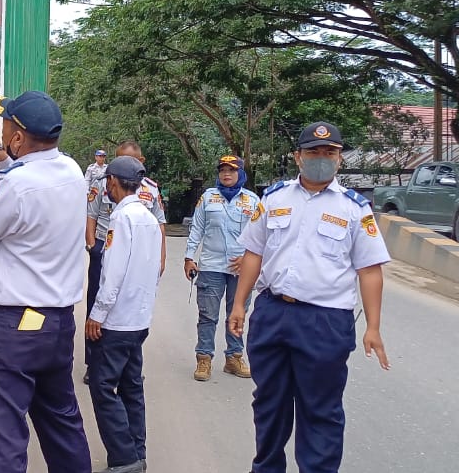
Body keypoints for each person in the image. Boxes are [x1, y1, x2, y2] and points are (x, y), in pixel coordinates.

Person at [228, 121, 392, 473]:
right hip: (272, 313)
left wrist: (373, 327)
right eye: (314, 152)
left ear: (340, 159)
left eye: (329, 153)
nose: (322, 158)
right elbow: (254, 253)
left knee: (320, 410)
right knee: (268, 403)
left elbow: (370, 270)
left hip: (325, 321)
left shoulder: (355, 209)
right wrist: (240, 303)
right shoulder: (274, 198)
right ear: (297, 157)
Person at [0, 91, 92, 473]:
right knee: (62, 423)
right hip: (58, 323)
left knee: (6, 434)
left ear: (17, 137)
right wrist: (6, 158)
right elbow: (32, 184)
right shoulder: (73, 171)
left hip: (17, 329)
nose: (1, 130)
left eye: (6, 126)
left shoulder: (17, 186)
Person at [85, 156, 163, 473]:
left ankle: (124, 458)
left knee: (102, 387)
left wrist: (97, 314)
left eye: (107, 182)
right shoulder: (147, 217)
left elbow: (112, 273)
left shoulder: (120, 219)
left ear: (113, 182)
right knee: (131, 386)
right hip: (139, 320)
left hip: (117, 322)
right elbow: (152, 271)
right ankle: (137, 452)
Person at [85, 142, 166, 382]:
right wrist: (92, 246)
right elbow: (90, 215)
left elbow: (159, 223)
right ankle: (95, 361)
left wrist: (160, 258)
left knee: (127, 303)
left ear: (141, 162)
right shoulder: (102, 184)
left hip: (136, 250)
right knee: (96, 305)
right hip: (104, 245)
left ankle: (125, 361)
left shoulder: (149, 189)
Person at [183, 155, 260, 381]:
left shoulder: (253, 201)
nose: (226, 174)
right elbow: (197, 227)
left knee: (237, 315)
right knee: (207, 315)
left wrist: (249, 258)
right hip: (211, 265)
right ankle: (204, 359)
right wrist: (189, 257)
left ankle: (234, 357)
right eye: (222, 170)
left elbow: (260, 234)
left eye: (232, 170)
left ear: (241, 174)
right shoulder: (208, 198)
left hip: (241, 269)